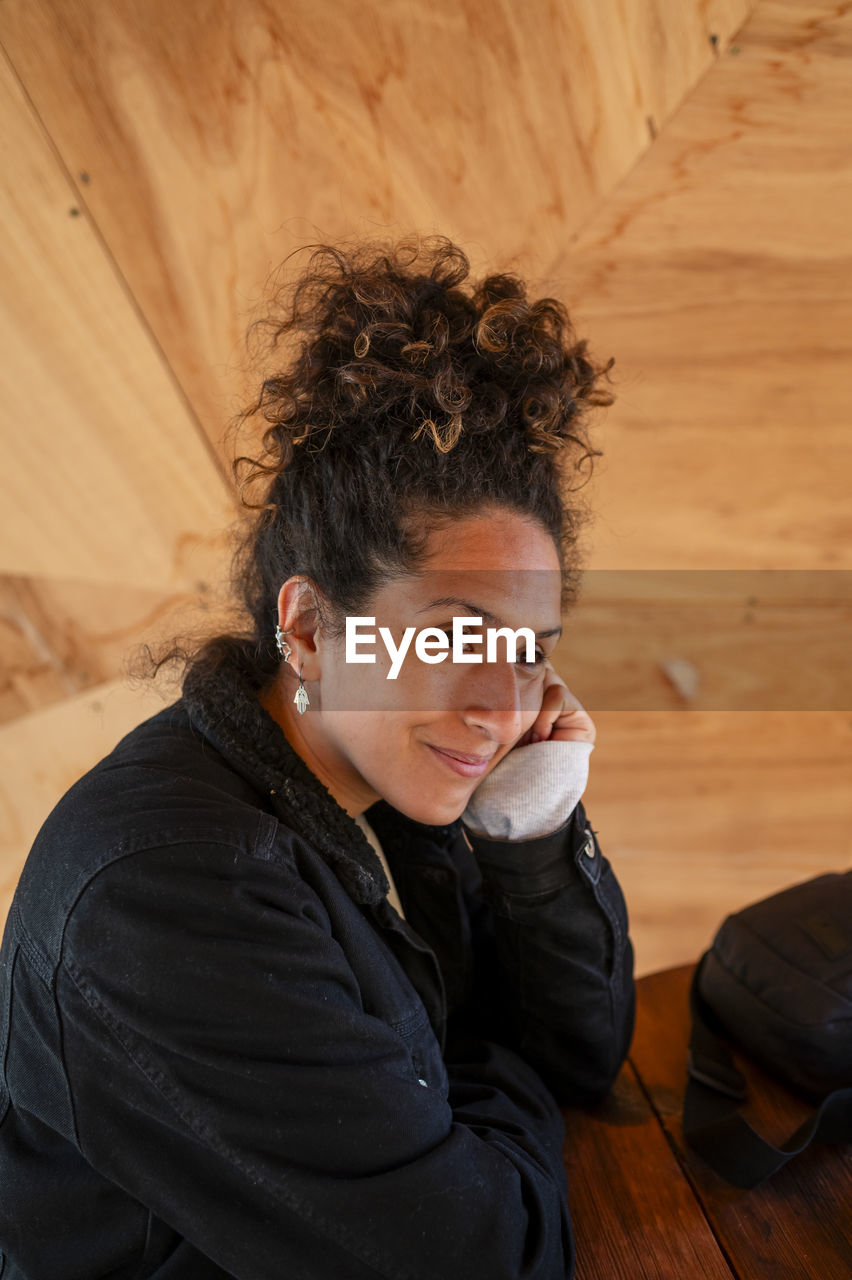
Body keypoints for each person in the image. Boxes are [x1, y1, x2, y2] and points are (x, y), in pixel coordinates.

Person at [0, 235, 634, 1279]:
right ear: (307, 630)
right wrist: (491, 1062)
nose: (497, 701)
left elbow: (584, 1056)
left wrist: (533, 829)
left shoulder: (381, 783)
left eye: (526, 651)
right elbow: (487, 1260)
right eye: (452, 632)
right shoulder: (166, 892)